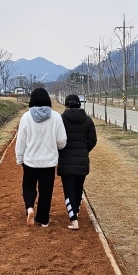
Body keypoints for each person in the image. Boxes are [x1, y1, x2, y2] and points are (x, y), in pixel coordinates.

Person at [15, 87, 66, 227]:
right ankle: (43, 220)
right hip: (49, 162)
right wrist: (56, 147)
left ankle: (30, 208)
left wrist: (20, 158)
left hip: (30, 161)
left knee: (29, 187)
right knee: (46, 191)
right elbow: (62, 141)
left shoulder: (26, 117)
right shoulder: (56, 117)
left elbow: (21, 141)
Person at [57, 94, 97, 230]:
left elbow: (57, 139)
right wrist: (84, 151)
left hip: (66, 160)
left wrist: (61, 151)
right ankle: (76, 211)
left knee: (69, 190)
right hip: (82, 161)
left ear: (66, 104)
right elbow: (93, 140)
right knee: (78, 189)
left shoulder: (61, 120)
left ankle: (74, 220)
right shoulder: (88, 120)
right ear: (79, 104)